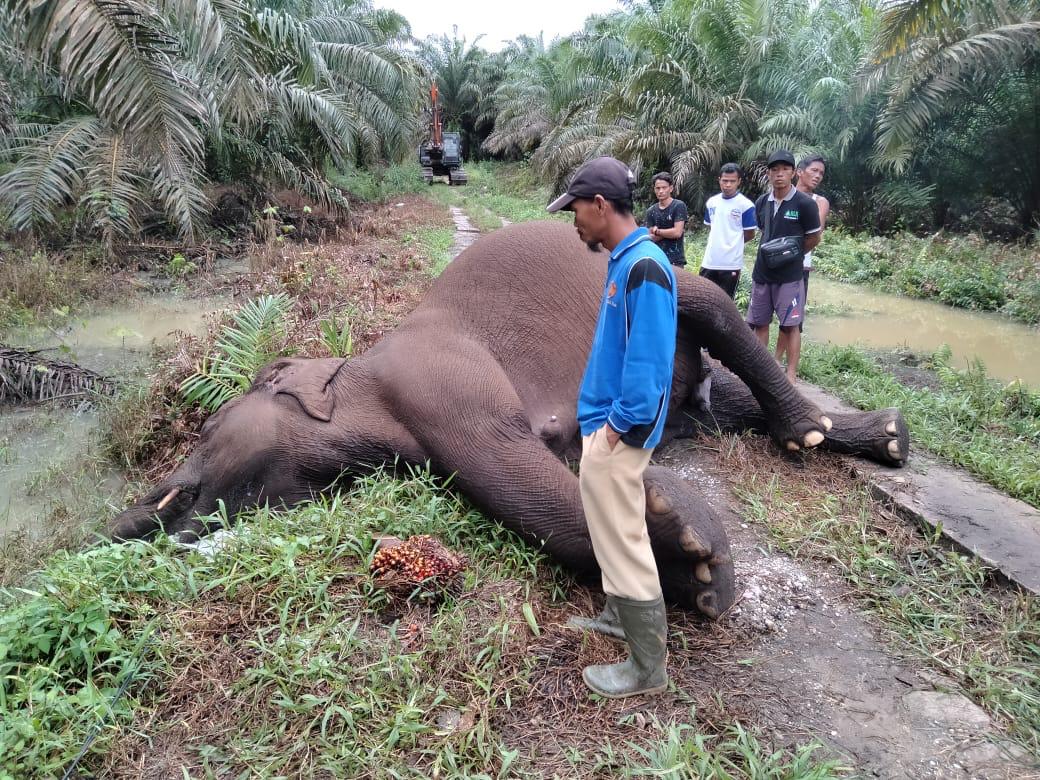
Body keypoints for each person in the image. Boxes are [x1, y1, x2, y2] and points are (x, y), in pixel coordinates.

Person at [547, 156, 677, 699]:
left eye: (575, 209)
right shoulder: (625, 260)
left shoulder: (645, 266)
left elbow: (649, 365)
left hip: (619, 430)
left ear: (600, 205)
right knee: (610, 525)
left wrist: (616, 429)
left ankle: (648, 670)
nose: (572, 220)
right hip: (606, 423)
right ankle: (618, 617)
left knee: (623, 540)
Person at [746, 150, 821, 383]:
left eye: (785, 170)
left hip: (790, 276)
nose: (779, 174)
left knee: (791, 325)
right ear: (768, 174)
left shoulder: (805, 204)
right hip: (762, 273)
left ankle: (790, 373)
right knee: (760, 323)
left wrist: (793, 256)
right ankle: (761, 370)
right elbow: (762, 232)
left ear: (792, 173)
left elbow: (814, 237)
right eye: (775, 170)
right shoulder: (761, 202)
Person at [777, 155, 830, 369]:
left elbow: (815, 232)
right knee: (762, 317)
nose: (817, 176)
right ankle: (767, 363)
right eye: (814, 170)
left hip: (799, 266)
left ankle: (781, 363)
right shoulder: (781, 194)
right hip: (773, 264)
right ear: (799, 171)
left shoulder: (820, 202)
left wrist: (795, 254)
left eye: (821, 173)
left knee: (792, 319)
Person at [700, 163, 757, 298]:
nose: (728, 185)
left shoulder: (746, 205)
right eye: (725, 180)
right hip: (710, 261)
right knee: (704, 299)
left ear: (739, 182)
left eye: (732, 181)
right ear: (719, 179)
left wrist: (733, 244)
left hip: (731, 264)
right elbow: (711, 227)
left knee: (725, 303)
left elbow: (750, 234)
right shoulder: (711, 202)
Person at [644, 172, 688, 267]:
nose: (661, 191)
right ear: (654, 189)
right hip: (656, 259)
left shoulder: (678, 206)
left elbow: (677, 233)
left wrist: (657, 231)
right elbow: (649, 237)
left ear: (671, 188)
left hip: (675, 261)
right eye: (658, 188)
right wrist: (668, 232)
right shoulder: (650, 211)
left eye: (664, 187)